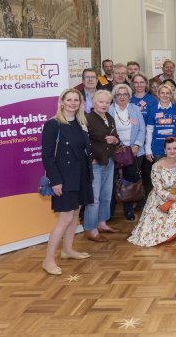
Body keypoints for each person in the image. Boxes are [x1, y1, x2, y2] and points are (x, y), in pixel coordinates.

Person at [40, 89, 93, 275]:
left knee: (75, 214)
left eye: (76, 100)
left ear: (80, 103)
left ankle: (68, 250)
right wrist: (55, 181)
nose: (72, 103)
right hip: (63, 178)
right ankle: (48, 260)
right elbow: (46, 156)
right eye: (68, 100)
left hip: (81, 176)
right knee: (65, 218)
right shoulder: (53, 125)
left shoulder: (81, 122)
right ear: (61, 102)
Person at [128, 137, 176, 246]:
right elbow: (158, 188)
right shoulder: (156, 166)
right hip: (160, 197)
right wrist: (172, 198)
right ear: (165, 150)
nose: (172, 151)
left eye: (175, 148)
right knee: (165, 215)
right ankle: (169, 232)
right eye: (169, 149)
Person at [84, 90, 121, 242]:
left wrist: (115, 141)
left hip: (109, 161)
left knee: (106, 195)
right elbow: (84, 143)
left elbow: (116, 137)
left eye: (107, 102)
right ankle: (91, 229)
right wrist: (91, 157)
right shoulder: (87, 119)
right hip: (95, 163)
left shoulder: (110, 118)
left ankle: (102, 223)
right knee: (94, 198)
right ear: (93, 103)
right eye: (101, 102)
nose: (104, 105)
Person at [109, 84, 146, 221]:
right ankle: (110, 210)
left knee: (130, 181)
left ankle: (128, 210)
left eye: (125, 94)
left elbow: (142, 129)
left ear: (129, 96)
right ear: (115, 97)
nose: (122, 97)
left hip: (133, 151)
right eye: (119, 94)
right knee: (113, 181)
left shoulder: (135, 109)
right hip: (115, 151)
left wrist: (137, 145)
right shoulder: (109, 109)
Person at [145, 84, 176, 197]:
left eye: (167, 93)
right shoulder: (152, 109)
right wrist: (148, 149)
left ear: (171, 95)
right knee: (160, 177)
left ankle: (174, 199)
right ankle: (162, 199)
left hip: (174, 149)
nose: (165, 95)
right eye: (162, 93)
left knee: (174, 176)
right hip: (157, 148)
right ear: (158, 94)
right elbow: (149, 130)